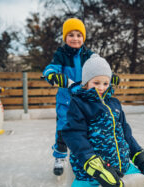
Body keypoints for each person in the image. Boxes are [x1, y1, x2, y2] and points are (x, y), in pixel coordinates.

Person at [61, 54, 144, 187]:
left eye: (105, 83)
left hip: (123, 166)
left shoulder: (114, 104)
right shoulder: (80, 104)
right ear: (86, 82)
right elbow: (74, 135)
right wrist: (96, 167)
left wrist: (140, 156)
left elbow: (126, 134)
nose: (101, 87)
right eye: (96, 83)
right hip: (92, 173)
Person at [42, 18, 94, 176]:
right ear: (65, 37)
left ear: (83, 38)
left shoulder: (89, 55)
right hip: (66, 101)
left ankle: (86, 157)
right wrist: (52, 75)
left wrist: (109, 76)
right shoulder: (61, 54)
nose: (75, 38)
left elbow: (99, 67)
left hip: (84, 100)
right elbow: (50, 69)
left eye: (79, 35)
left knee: (87, 129)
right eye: (71, 35)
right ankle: (59, 157)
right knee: (64, 130)